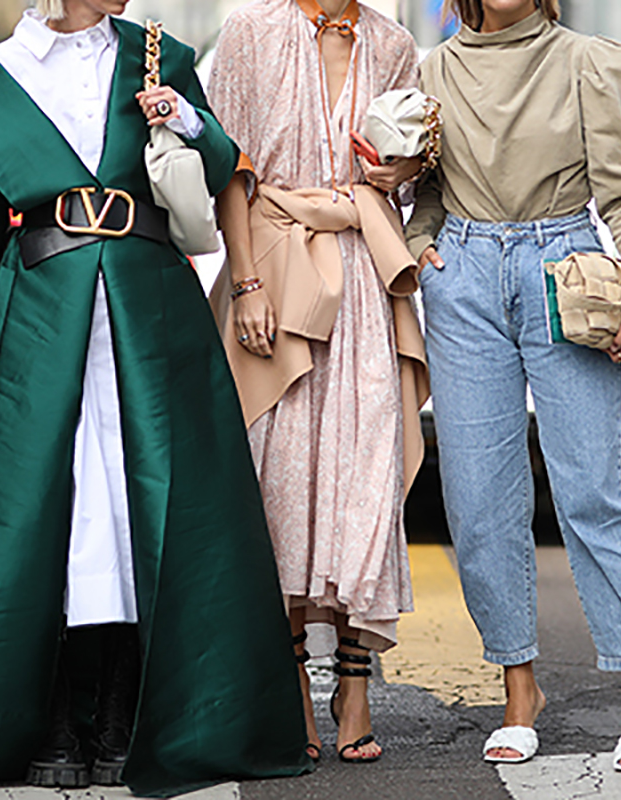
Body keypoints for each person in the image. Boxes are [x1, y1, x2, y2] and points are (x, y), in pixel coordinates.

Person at [0, 0, 311, 794]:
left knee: (140, 514)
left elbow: (223, 163)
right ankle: (58, 720)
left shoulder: (160, 55)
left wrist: (185, 120)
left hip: (153, 313)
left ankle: (123, 718)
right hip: (36, 322)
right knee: (48, 517)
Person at [406, 0, 621, 772]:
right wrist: (421, 243)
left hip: (565, 268)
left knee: (593, 486)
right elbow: (428, 191)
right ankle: (519, 690)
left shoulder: (587, 62)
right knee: (479, 497)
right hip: (463, 280)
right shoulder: (434, 70)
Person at [207, 0, 429, 765]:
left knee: (367, 478)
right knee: (283, 478)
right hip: (274, 265)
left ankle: (355, 682)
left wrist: (404, 171)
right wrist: (245, 284)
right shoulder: (249, 32)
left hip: (364, 273)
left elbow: (406, 174)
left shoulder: (394, 42)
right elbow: (230, 168)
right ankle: (294, 678)